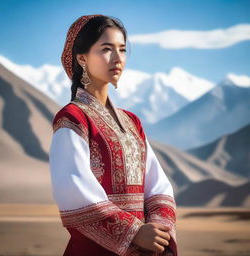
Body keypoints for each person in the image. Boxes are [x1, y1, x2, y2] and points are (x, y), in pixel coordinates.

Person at [49, 14, 178, 256]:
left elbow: (158, 185)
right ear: (82, 58)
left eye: (122, 49)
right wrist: (134, 233)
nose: (118, 58)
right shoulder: (73, 118)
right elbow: (73, 190)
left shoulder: (132, 121)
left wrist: (159, 230)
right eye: (106, 49)